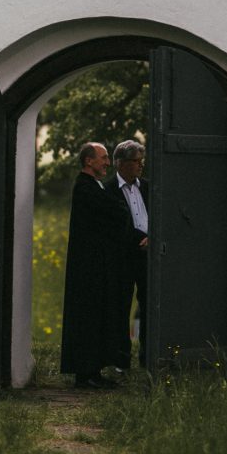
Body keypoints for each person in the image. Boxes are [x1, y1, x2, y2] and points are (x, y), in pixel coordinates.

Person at [60, 142, 134, 388]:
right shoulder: (85, 188)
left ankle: (93, 371)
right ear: (89, 161)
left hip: (95, 265)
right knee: (88, 318)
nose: (107, 162)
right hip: (88, 269)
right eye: (103, 158)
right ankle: (85, 373)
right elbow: (116, 211)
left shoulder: (92, 187)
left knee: (97, 317)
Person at [105, 139, 149, 367]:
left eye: (141, 161)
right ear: (121, 164)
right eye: (136, 161)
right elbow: (115, 225)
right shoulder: (109, 189)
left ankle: (147, 357)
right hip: (122, 257)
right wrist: (138, 240)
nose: (140, 166)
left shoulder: (148, 187)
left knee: (149, 306)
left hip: (147, 256)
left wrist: (153, 238)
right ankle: (121, 360)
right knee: (120, 307)